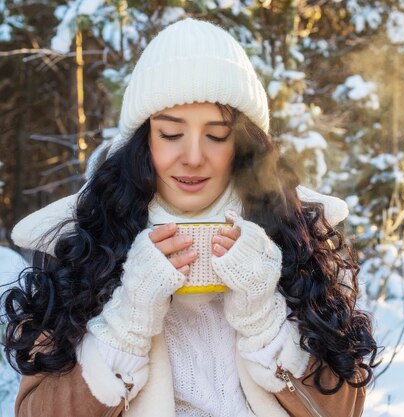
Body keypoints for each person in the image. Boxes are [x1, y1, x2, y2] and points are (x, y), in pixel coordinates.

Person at [3, 18, 378, 417]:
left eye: (216, 135)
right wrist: (126, 322)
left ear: (243, 143)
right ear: (143, 140)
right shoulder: (84, 245)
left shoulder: (298, 236)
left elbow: (341, 409)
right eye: (170, 134)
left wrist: (263, 318)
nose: (194, 156)